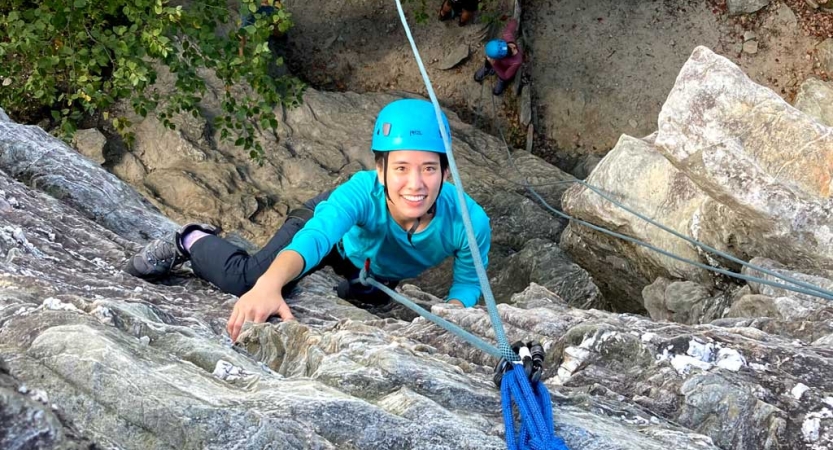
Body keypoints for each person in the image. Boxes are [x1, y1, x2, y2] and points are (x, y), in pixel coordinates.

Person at [124, 99, 492, 342]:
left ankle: (356, 284)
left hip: (369, 264)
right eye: (401, 168)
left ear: (446, 173)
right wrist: (269, 286)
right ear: (380, 170)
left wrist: (454, 315)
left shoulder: (469, 222)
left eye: (429, 168)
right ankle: (189, 240)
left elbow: (467, 284)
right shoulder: (362, 192)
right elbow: (316, 236)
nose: (415, 184)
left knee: (368, 299)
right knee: (247, 280)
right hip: (332, 235)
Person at [474, 18, 523, 96]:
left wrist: (495, 65)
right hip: (497, 61)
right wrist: (514, 21)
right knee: (489, 57)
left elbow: (506, 76)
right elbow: (512, 23)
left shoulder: (516, 61)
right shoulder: (507, 36)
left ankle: (501, 82)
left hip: (504, 69)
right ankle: (487, 68)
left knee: (502, 77)